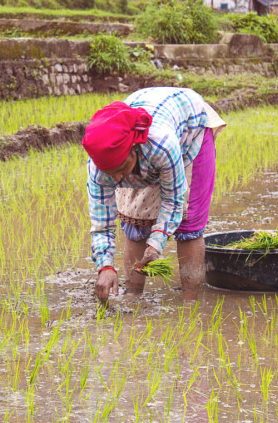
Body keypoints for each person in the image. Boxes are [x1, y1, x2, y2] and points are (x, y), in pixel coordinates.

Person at [83, 87, 226, 303]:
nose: (118, 178)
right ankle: (132, 296)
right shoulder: (99, 169)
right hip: (152, 128)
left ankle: (190, 299)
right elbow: (102, 223)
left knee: (188, 220)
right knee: (134, 218)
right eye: (110, 173)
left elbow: (173, 201)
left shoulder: (162, 145)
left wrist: (156, 244)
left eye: (122, 168)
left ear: (135, 149)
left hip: (190, 130)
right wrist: (105, 265)